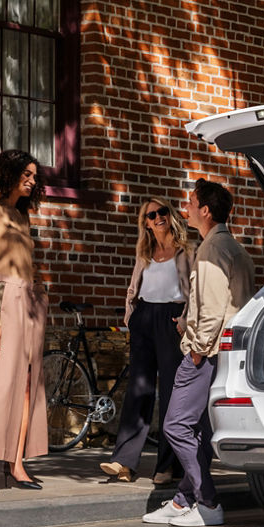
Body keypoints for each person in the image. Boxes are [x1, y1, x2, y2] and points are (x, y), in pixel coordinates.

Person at [142, 179, 255, 526]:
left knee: (176, 425)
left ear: (205, 210)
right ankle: (183, 500)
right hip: (225, 352)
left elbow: (213, 310)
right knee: (200, 430)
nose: (186, 207)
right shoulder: (234, 247)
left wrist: (195, 351)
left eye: (191, 202)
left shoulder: (210, 251)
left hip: (204, 354)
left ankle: (207, 502)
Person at [0, 149, 48, 495]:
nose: (32, 180)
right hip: (4, 300)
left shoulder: (22, 216)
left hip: (30, 302)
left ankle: (16, 463)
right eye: (26, 174)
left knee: (28, 384)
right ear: (10, 173)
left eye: (35, 176)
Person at [99, 197, 192, 484]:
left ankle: (168, 466)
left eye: (161, 212)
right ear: (146, 224)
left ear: (170, 215)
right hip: (144, 318)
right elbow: (133, 285)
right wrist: (131, 314)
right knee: (138, 391)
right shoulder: (145, 251)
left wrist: (187, 319)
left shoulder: (186, 251)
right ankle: (124, 462)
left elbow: (196, 289)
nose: (157, 218)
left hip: (172, 319)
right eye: (151, 216)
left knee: (170, 393)